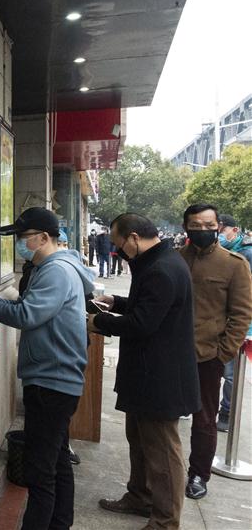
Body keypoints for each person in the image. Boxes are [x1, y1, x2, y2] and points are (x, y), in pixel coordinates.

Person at [0, 207, 92, 530]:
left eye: (23, 238)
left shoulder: (56, 272)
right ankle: (60, 524)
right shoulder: (51, 267)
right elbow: (26, 308)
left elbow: (26, 316)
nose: (19, 244)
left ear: (44, 238)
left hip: (51, 383)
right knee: (56, 461)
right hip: (55, 380)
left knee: (40, 473)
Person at [91, 213, 200, 530]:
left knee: (163, 453)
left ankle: (165, 521)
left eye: (118, 243)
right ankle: (140, 496)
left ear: (134, 237)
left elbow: (143, 323)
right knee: (139, 440)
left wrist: (99, 322)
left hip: (160, 378)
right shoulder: (155, 263)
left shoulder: (162, 269)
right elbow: (147, 307)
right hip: (143, 374)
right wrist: (117, 301)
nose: (118, 250)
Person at [179, 204, 252, 498]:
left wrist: (223, 352)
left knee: (204, 419)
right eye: (195, 225)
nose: (203, 230)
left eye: (209, 225)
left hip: (208, 356)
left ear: (218, 226)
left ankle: (199, 473)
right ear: (186, 227)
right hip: (171, 353)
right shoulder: (175, 259)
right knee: (163, 416)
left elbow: (241, 314)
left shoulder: (234, 264)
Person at [216, 214, 252, 431]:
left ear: (234, 231)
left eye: (222, 230)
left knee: (230, 374)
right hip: (218, 320)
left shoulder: (246, 254)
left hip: (237, 324)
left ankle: (226, 413)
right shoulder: (226, 252)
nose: (220, 234)